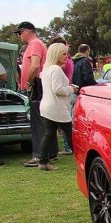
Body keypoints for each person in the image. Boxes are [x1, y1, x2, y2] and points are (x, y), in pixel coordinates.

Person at [39, 43, 78, 171]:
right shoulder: (56, 69)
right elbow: (58, 89)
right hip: (57, 108)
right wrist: (71, 89)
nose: (67, 56)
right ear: (56, 54)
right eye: (64, 53)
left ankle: (43, 161)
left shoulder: (46, 69)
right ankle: (80, 159)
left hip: (46, 106)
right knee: (71, 134)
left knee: (49, 134)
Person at [15, 21, 48, 167]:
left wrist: (28, 82)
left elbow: (35, 65)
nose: (19, 36)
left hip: (36, 85)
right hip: (39, 84)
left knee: (37, 123)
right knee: (43, 121)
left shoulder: (34, 44)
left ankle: (39, 155)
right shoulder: (37, 43)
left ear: (26, 31)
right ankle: (48, 153)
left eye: (19, 33)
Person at [50, 36, 74, 154]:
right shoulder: (66, 62)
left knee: (66, 127)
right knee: (53, 130)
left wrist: (70, 89)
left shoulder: (59, 67)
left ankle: (70, 148)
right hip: (62, 98)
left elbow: (57, 88)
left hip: (61, 100)